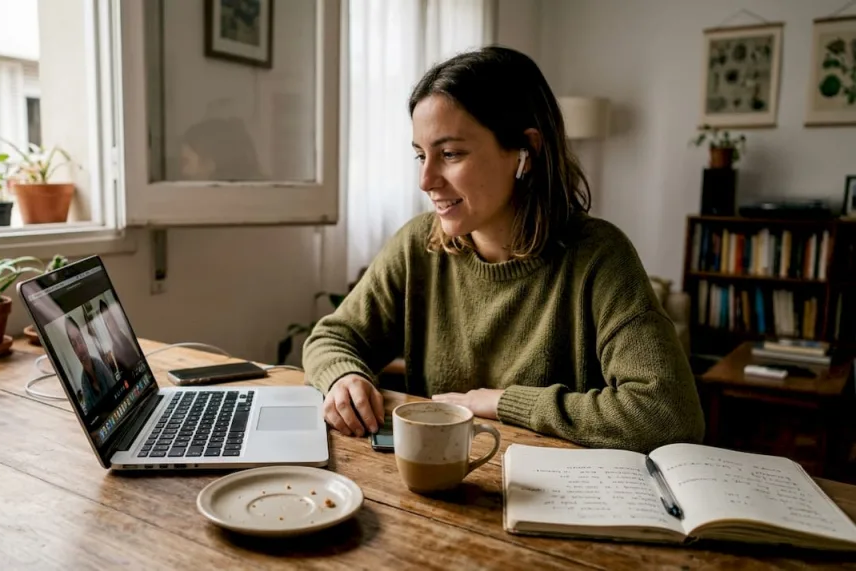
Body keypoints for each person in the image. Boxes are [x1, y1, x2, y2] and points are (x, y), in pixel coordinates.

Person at [302, 46, 705, 454]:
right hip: (441, 488)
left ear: (525, 151)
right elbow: (332, 337)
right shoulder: (417, 244)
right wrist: (343, 377)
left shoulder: (599, 257)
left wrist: (502, 402)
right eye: (421, 155)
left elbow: (668, 414)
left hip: (558, 499)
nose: (425, 180)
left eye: (450, 154)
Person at [64, 316, 117, 414]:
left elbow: (117, 393)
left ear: (84, 341)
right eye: (74, 344)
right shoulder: (84, 383)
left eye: (80, 340)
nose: (79, 349)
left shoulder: (100, 365)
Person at [97, 298, 140, 380]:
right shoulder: (113, 348)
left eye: (111, 317)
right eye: (107, 321)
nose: (111, 322)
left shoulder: (126, 331)